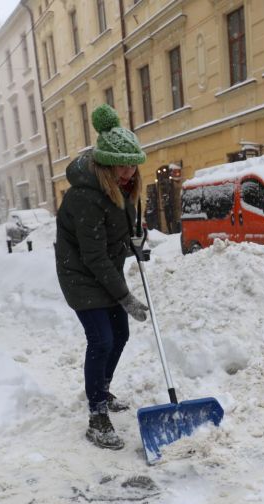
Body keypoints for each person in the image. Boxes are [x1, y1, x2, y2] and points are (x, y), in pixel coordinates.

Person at [55, 104, 150, 450]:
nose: (129, 172)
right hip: (80, 275)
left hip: (104, 272)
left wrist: (138, 241)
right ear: (106, 164)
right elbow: (93, 254)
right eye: (122, 166)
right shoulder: (84, 197)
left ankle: (101, 388)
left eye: (133, 165)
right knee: (102, 340)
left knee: (120, 334)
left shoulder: (122, 190)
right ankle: (96, 417)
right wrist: (125, 296)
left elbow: (119, 235)